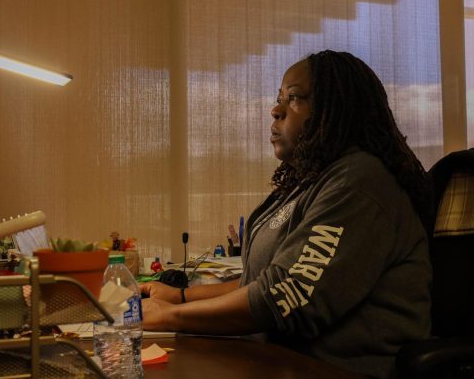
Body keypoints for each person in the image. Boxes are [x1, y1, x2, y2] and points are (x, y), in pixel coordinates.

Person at [141, 50, 432, 379]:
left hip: (333, 369)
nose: (275, 110)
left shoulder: (358, 184)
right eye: (280, 98)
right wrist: (179, 297)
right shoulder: (308, 183)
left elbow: (284, 295)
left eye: (294, 98)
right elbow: (260, 280)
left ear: (336, 111)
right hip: (274, 360)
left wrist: (168, 317)